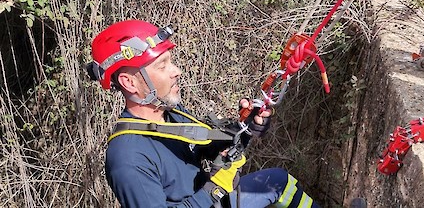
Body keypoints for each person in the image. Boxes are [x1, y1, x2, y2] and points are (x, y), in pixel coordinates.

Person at [86, 20, 320, 208]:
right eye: (162, 65)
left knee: (277, 182)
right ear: (130, 83)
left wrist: (247, 127)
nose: (176, 71)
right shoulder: (128, 158)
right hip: (207, 200)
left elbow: (210, 146)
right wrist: (214, 190)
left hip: (210, 200)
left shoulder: (171, 115)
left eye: (171, 62)